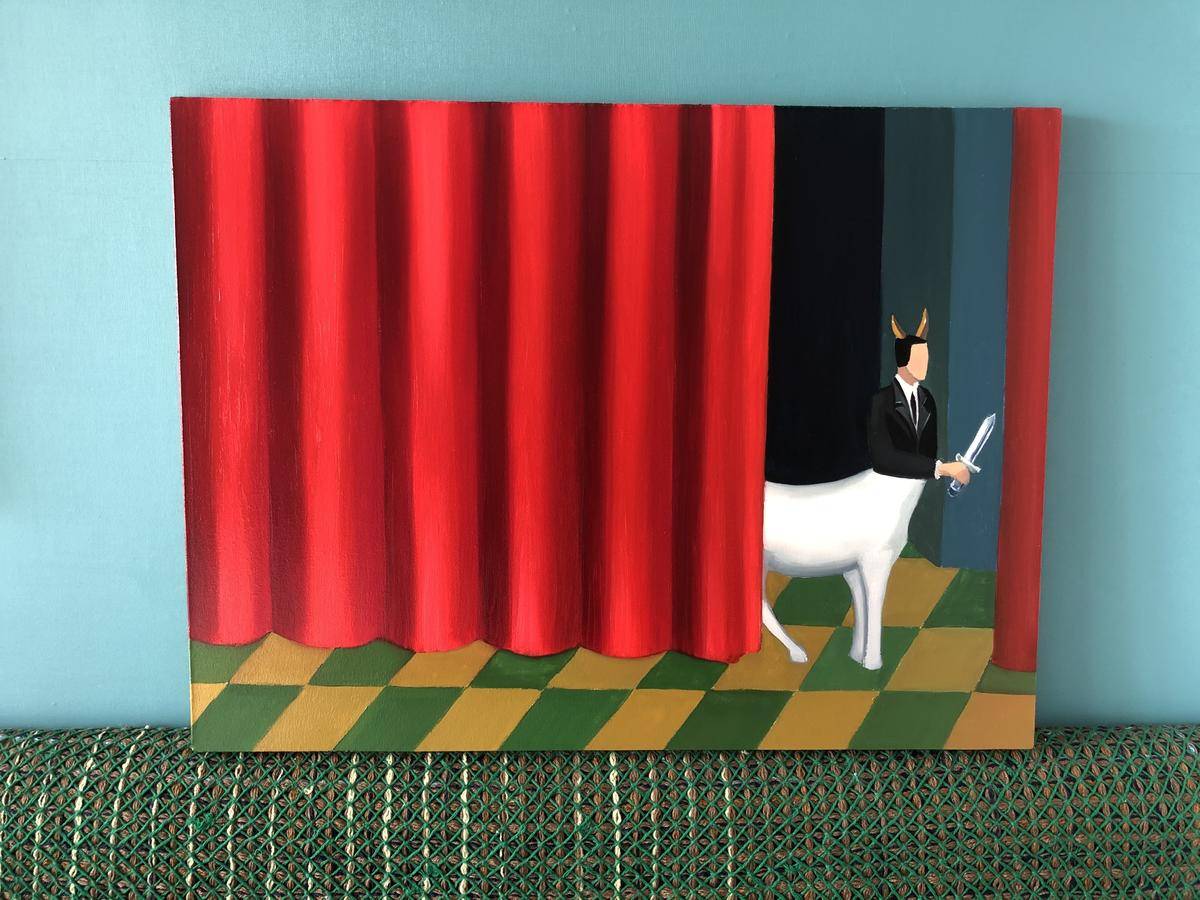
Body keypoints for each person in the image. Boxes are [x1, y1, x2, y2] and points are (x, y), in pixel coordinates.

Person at [868, 309, 971, 486]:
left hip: (918, 490)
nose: (925, 363)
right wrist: (942, 468)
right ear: (903, 361)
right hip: (885, 490)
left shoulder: (927, 400)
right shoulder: (881, 401)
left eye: (926, 357)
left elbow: (928, 455)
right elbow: (882, 459)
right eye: (919, 358)